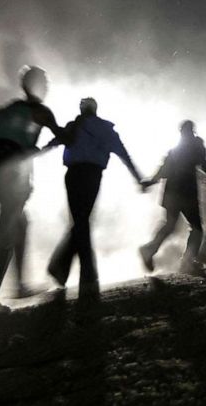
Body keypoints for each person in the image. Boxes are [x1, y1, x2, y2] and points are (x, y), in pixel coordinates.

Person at [0, 66, 69, 314]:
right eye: (44, 83)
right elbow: (62, 138)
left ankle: (18, 285)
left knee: (20, 225)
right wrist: (59, 139)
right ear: (37, 85)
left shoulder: (7, 110)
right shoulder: (40, 111)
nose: (46, 88)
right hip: (13, 179)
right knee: (5, 234)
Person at [45, 97, 145, 305]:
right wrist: (138, 178)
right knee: (82, 222)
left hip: (73, 174)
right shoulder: (106, 129)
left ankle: (68, 270)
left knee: (80, 222)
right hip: (93, 175)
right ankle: (77, 274)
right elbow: (124, 154)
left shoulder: (75, 125)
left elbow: (56, 142)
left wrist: (33, 153)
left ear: (82, 109)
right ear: (96, 109)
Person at [139, 120, 206, 274]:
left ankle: (149, 249)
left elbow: (164, 170)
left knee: (170, 225)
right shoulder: (196, 146)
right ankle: (189, 261)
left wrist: (150, 182)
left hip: (172, 193)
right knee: (197, 228)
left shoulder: (176, 150)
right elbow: (204, 165)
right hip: (187, 192)